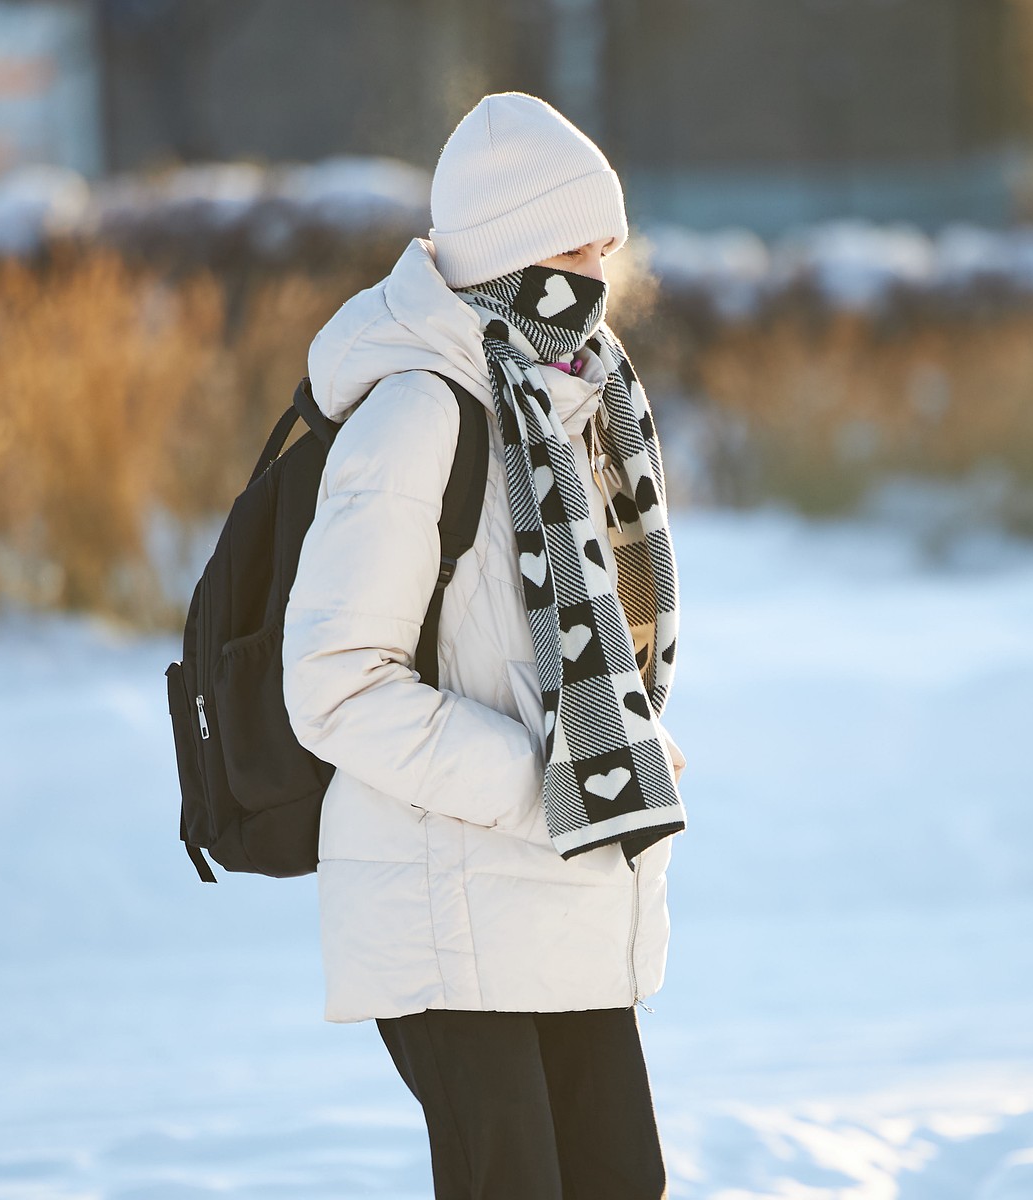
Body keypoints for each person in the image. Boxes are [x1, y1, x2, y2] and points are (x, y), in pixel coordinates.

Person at [283, 91, 686, 1200]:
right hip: (447, 903)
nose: (600, 272)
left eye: (607, 241)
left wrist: (617, 760)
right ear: (504, 253)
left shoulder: (577, 403)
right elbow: (333, 687)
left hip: (558, 883)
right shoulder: (422, 415)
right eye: (570, 246)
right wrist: (549, 781)